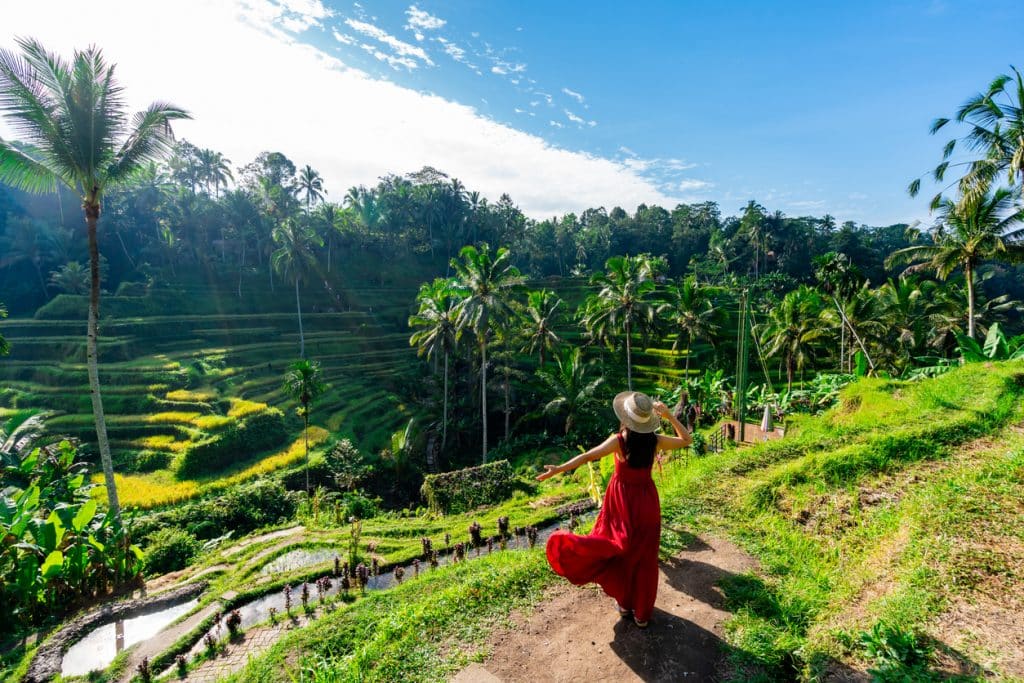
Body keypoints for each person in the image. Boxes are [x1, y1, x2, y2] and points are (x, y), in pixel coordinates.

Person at [537, 391, 691, 628]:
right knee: (645, 559)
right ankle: (642, 615)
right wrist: (669, 415)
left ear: (626, 418)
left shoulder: (619, 441)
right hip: (647, 503)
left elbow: (587, 456)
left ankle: (626, 605)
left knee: (622, 553)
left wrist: (558, 469)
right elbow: (686, 440)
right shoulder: (655, 440)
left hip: (622, 504)